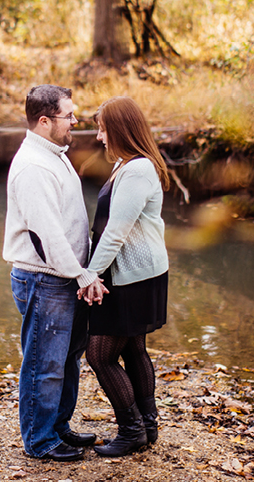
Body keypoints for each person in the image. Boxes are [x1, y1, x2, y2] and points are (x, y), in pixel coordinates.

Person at [3, 84, 109, 462]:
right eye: (69, 116)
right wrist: (81, 276)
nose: (75, 122)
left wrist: (82, 270)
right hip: (45, 279)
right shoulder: (33, 166)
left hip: (64, 277)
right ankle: (40, 441)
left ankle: (58, 427)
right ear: (45, 121)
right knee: (44, 363)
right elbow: (46, 234)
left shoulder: (53, 153)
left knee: (66, 358)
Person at [79, 96, 170, 457]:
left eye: (102, 128)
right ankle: (147, 425)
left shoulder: (136, 171)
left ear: (119, 129)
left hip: (131, 277)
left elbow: (115, 232)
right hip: (138, 273)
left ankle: (132, 430)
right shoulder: (130, 165)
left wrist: (89, 274)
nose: (99, 136)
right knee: (133, 347)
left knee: (99, 355)